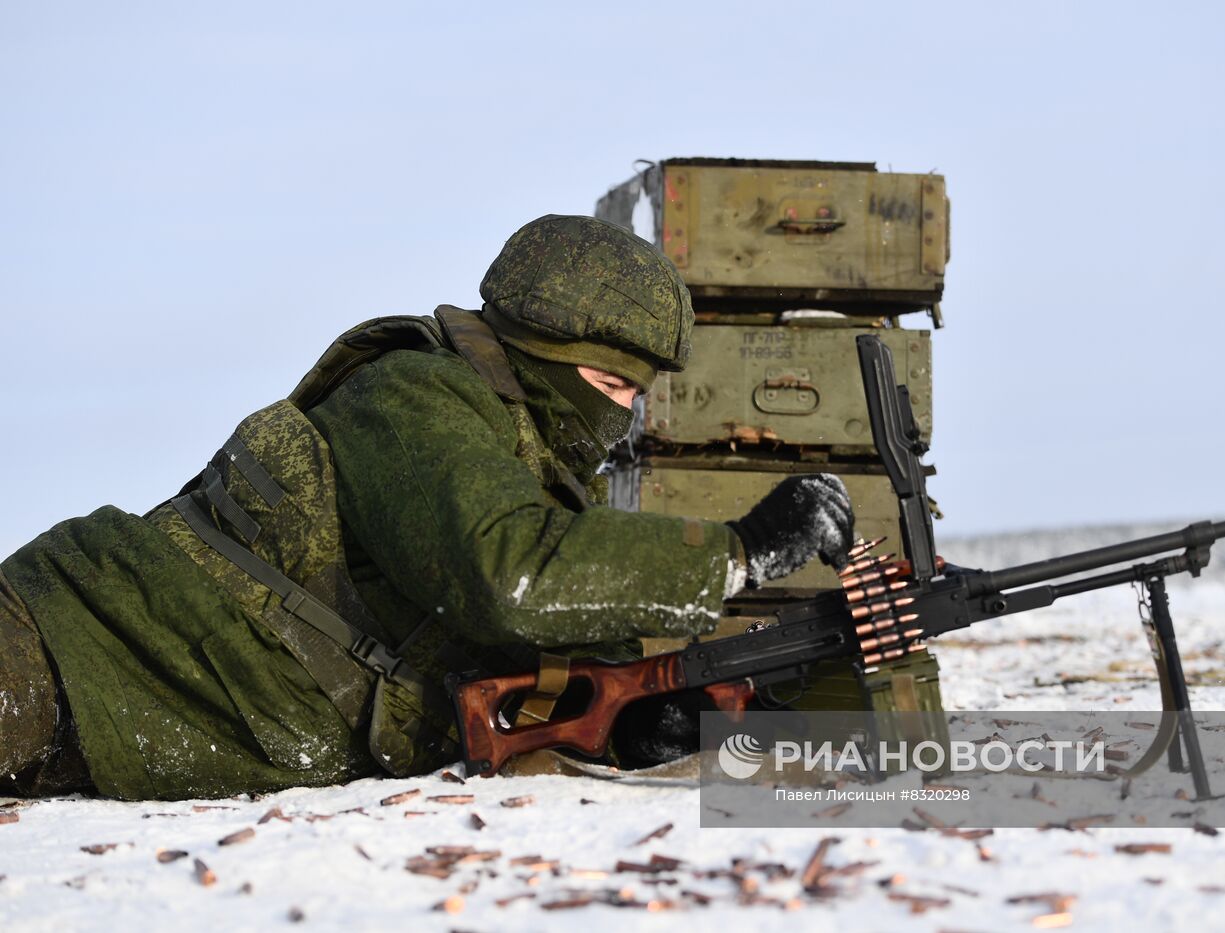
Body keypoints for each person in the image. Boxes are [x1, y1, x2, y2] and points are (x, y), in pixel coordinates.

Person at [0, 215, 855, 801]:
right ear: (543, 356)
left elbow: (564, 664)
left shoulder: (533, 471)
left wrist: (648, 717)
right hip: (84, 634)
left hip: (169, 716)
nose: (624, 416)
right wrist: (734, 552)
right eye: (610, 384)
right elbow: (509, 572)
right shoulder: (417, 397)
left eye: (638, 394)